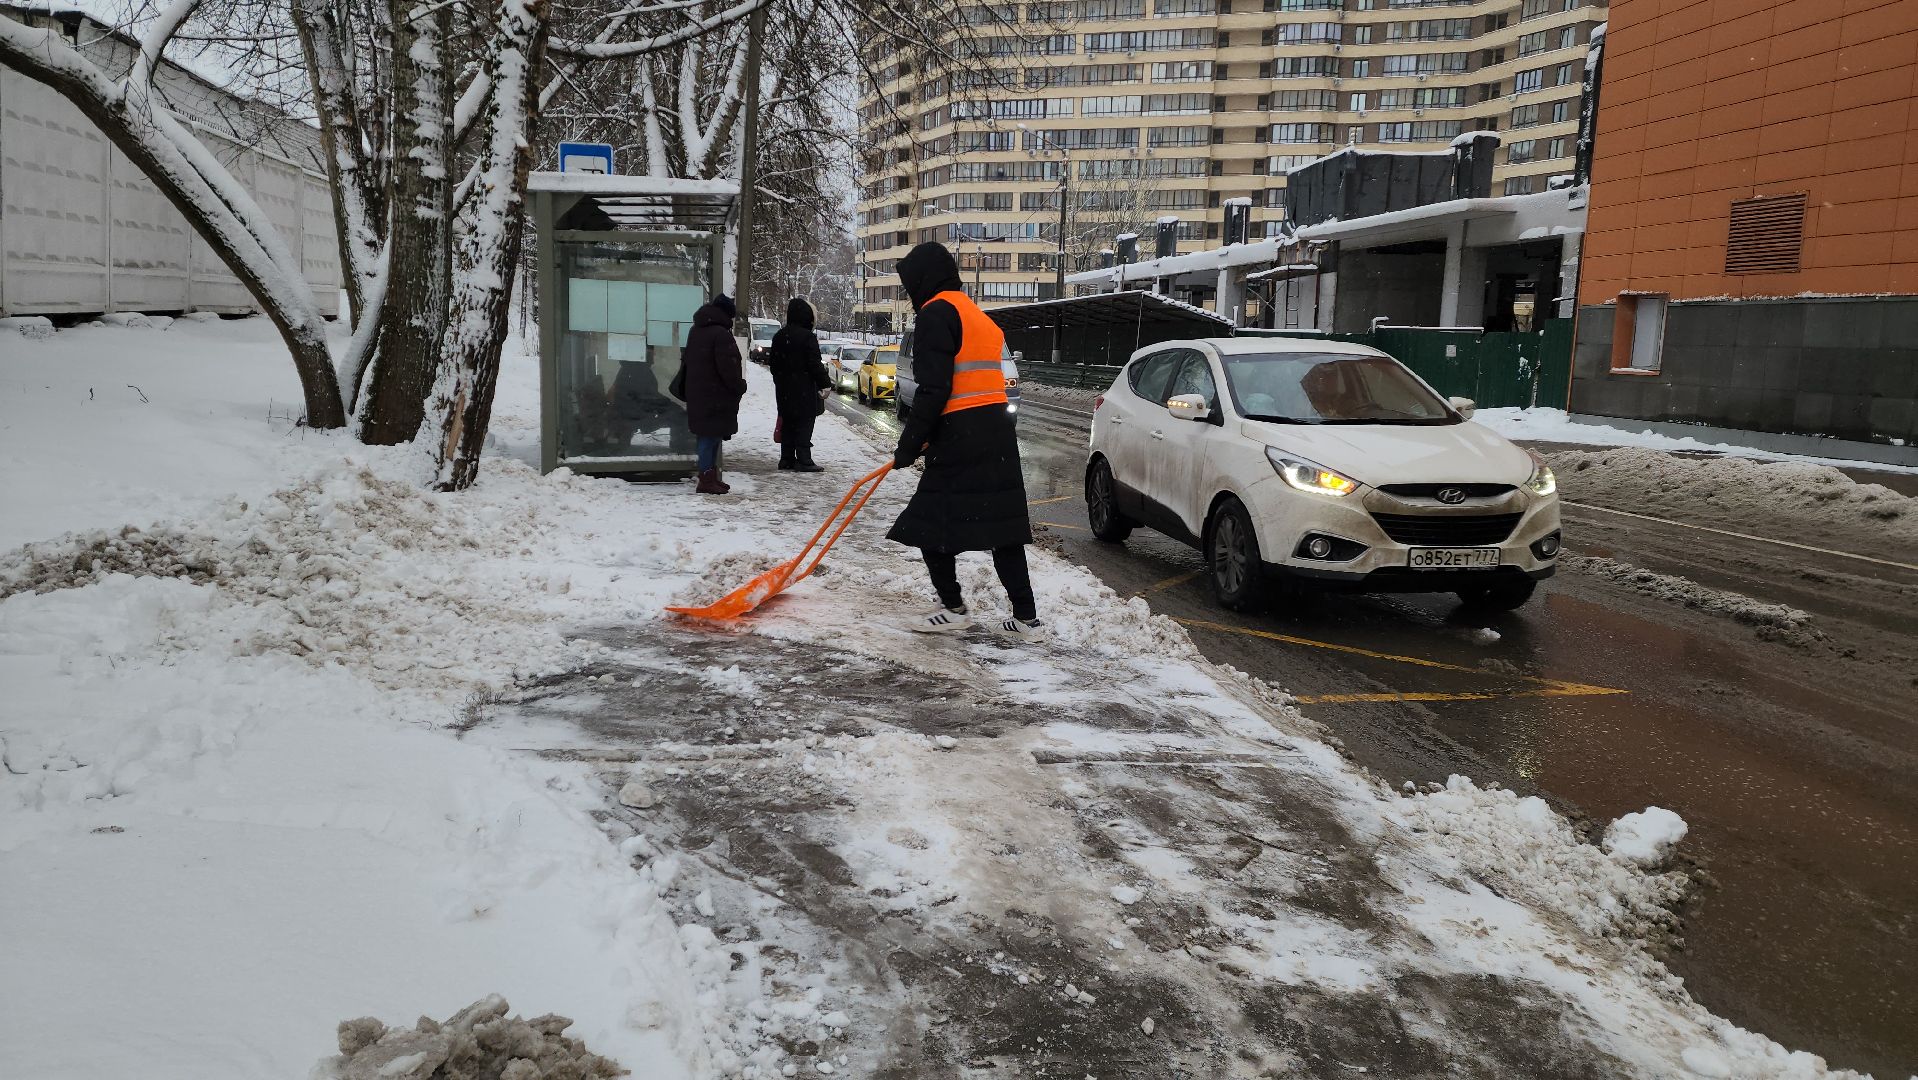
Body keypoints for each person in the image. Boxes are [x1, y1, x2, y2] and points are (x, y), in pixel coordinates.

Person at [886, 242, 1043, 639]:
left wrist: (909, 445)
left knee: (929, 520)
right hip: (996, 431)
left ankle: (953, 607)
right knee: (1003, 525)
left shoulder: (936, 314)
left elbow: (933, 389)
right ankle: (1026, 619)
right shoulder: (978, 316)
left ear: (923, 279)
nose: (909, 294)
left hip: (960, 435)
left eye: (909, 285)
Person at [680, 293, 748, 494]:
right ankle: (706, 479)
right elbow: (729, 368)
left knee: (708, 435)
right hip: (715, 395)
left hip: (699, 393)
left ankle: (709, 476)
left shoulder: (697, 330)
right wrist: (739, 386)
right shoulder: (720, 334)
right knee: (710, 438)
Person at [768, 297, 831, 472]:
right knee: (805, 423)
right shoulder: (807, 337)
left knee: (787, 422)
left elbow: (773, 364)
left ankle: (786, 459)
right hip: (804, 390)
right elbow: (814, 364)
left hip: (784, 390)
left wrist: (782, 380)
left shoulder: (779, 336)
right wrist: (825, 383)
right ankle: (804, 460)